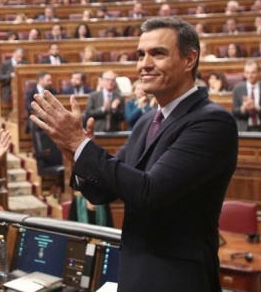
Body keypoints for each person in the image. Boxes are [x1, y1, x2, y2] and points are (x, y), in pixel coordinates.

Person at [30, 17, 238, 292]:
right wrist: (73, 151)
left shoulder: (211, 122)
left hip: (177, 278)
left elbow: (149, 193)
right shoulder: (147, 121)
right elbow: (102, 193)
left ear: (189, 60)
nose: (144, 64)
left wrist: (82, 146)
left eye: (158, 54)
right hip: (134, 270)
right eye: (141, 55)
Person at [231, 61, 261, 132]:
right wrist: (244, 108)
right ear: (244, 73)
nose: (250, 76)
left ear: (259, 73)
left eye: (253, 72)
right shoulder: (237, 88)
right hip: (244, 129)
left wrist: (256, 108)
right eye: (247, 73)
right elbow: (234, 111)